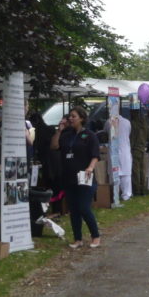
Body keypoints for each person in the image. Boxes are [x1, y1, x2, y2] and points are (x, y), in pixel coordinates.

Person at [51, 106, 101, 248]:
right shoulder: (66, 135)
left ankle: (95, 235)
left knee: (84, 207)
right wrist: (59, 130)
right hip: (69, 177)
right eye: (69, 117)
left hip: (84, 176)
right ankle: (77, 239)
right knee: (73, 209)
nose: (70, 119)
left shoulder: (90, 135)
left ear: (82, 118)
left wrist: (90, 167)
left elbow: (95, 155)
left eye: (74, 116)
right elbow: (54, 146)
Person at [116, 110, 133, 200]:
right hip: (125, 149)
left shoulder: (108, 122)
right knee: (126, 174)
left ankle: (116, 194)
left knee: (116, 173)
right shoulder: (127, 122)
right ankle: (126, 194)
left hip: (115, 151)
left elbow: (106, 132)